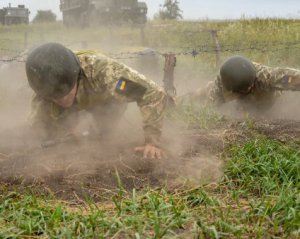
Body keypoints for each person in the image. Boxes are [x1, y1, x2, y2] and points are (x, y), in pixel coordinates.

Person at [25, 43, 167, 159]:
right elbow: (36, 132)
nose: (61, 100)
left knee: (104, 135)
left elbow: (151, 93)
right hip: (73, 103)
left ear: (77, 77)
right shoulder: (43, 91)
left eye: (65, 93)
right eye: (54, 97)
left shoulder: (106, 75)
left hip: (105, 100)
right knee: (52, 137)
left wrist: (152, 142)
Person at [190, 55, 300, 112]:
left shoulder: (264, 76)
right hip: (242, 106)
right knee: (205, 90)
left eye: (250, 86)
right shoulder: (221, 82)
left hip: (268, 101)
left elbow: (291, 76)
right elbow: (210, 110)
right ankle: (186, 97)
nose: (250, 87)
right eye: (247, 89)